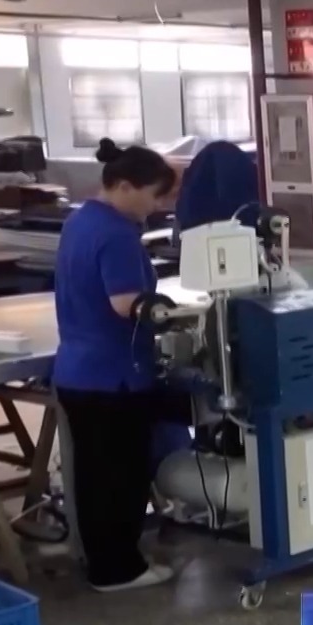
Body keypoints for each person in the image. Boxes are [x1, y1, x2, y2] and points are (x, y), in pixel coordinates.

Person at [52, 139, 178, 592]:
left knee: (94, 475)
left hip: (77, 371)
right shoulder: (117, 234)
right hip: (113, 377)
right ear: (124, 186)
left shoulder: (79, 221)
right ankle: (119, 570)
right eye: (153, 195)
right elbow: (127, 304)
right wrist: (175, 315)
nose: (157, 206)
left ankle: (105, 562)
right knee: (120, 477)